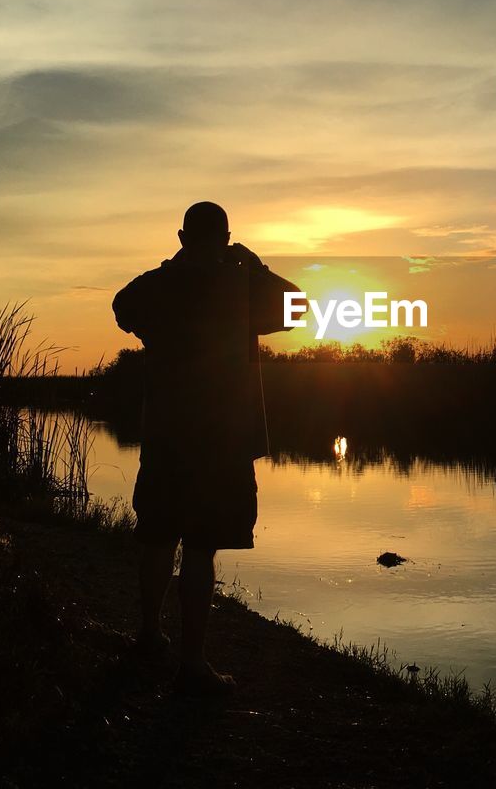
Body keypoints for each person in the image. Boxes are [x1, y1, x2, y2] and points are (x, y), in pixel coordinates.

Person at [112, 201, 302, 695]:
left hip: (166, 437)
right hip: (223, 442)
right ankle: (191, 664)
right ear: (227, 238)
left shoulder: (158, 285)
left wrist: (173, 271)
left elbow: (122, 306)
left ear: (180, 237)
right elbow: (297, 307)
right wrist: (254, 266)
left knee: (156, 537)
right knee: (199, 547)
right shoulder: (241, 286)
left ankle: (150, 634)